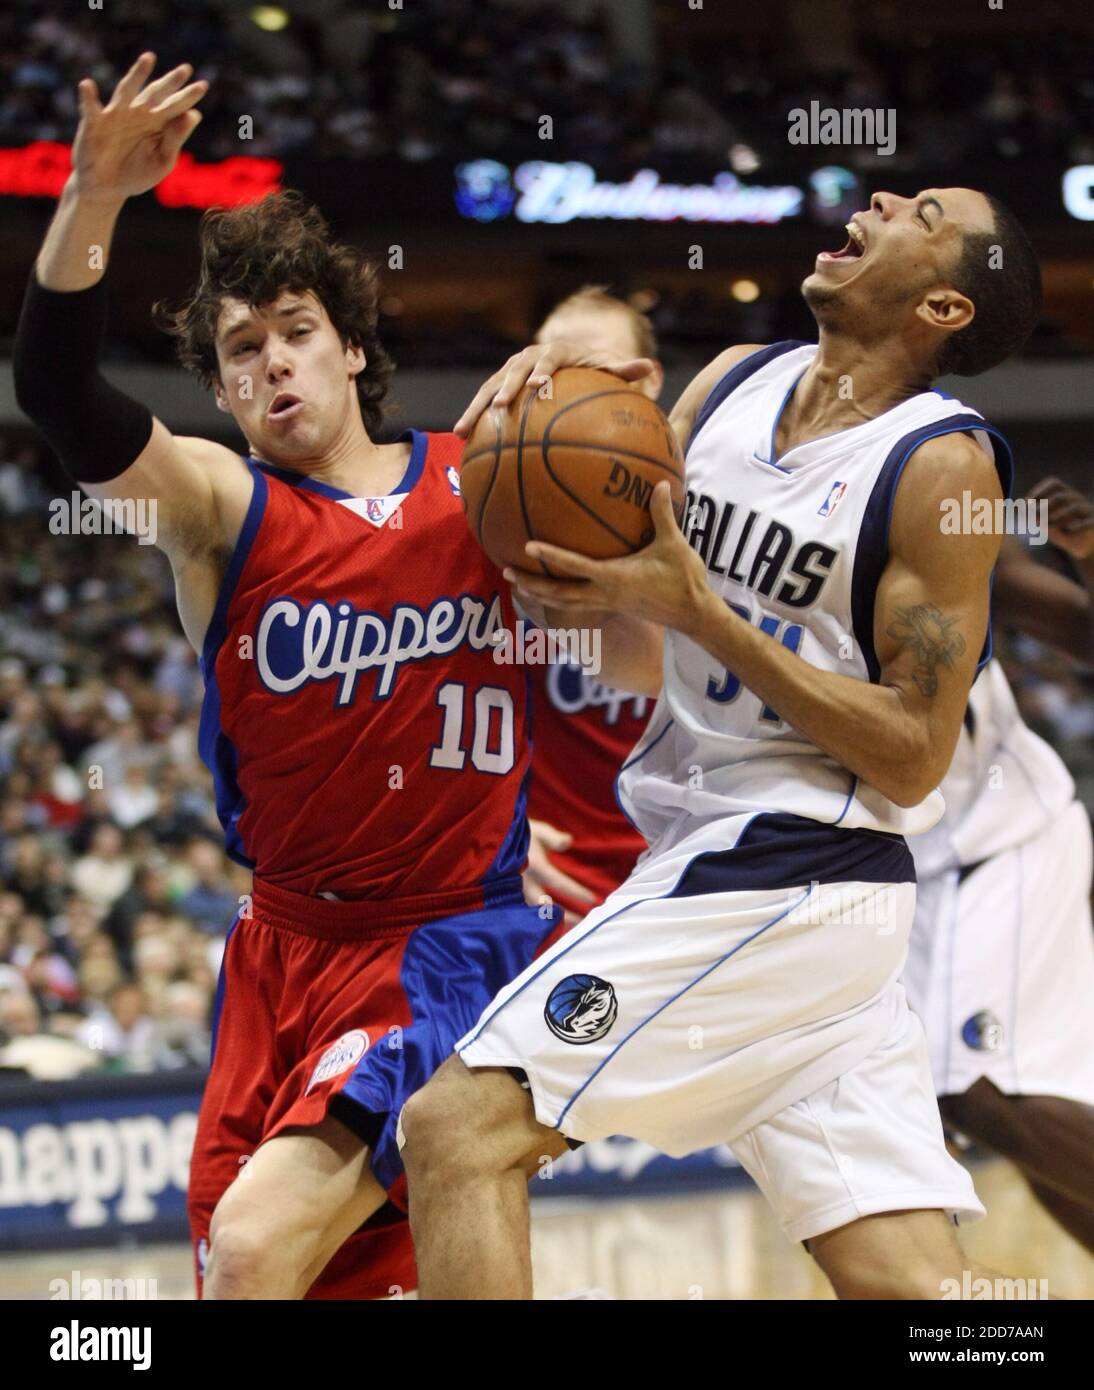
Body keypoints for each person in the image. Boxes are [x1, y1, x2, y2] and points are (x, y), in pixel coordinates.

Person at [12, 51, 651, 1301]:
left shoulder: (489, 480)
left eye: (297, 333)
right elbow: (56, 391)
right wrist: (92, 199)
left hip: (448, 942)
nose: (273, 367)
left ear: (353, 348)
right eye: (241, 352)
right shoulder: (218, 505)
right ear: (215, 390)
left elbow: (631, 655)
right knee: (301, 1277)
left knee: (255, 1251)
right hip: (278, 953)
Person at [401, 187, 1044, 1299]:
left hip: (791, 863)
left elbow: (908, 755)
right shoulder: (731, 383)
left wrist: (703, 611)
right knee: (914, 1289)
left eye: (922, 212)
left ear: (940, 305)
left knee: (456, 1130)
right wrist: (520, 462)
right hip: (730, 855)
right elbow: (632, 628)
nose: (881, 195)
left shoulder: (941, 468)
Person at [906, 486, 1094, 1253]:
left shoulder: (933, 527)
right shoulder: (751, 529)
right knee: (1001, 1109)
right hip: (905, 868)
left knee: (978, 1090)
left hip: (997, 838)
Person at [523, 287, 661, 922]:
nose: (569, 389)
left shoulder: (716, 513)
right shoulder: (498, 516)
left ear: (647, 382)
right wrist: (496, 832)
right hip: (557, 887)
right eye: (554, 369)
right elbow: (419, 700)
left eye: (595, 371)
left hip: (692, 876)